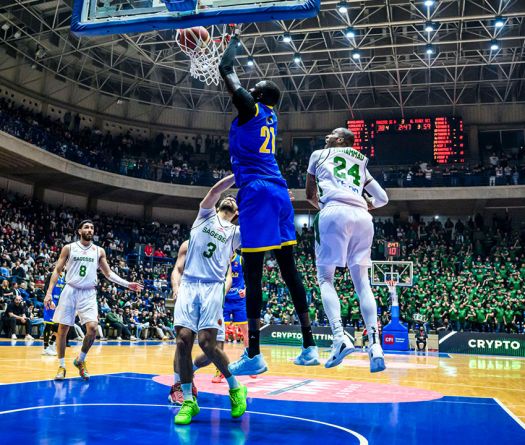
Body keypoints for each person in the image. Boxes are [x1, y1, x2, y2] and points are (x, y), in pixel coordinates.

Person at [219, 29, 319, 376]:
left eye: (253, 87)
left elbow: (225, 68)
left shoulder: (251, 108)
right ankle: (309, 344)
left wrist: (232, 40)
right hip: (280, 193)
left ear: (257, 94)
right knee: (290, 270)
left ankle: (255, 353)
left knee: (253, 272)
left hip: (258, 191)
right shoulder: (272, 117)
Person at [305, 127, 389, 373]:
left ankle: (340, 337)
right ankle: (375, 346)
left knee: (325, 278)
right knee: (362, 282)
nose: (327, 136)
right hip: (362, 216)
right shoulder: (362, 162)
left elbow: (309, 194)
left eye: (331, 134)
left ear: (341, 140)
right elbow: (383, 198)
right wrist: (364, 204)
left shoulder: (318, 154)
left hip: (333, 211)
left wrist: (328, 204)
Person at [171, 174, 247, 425]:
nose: (229, 198)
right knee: (183, 341)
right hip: (190, 285)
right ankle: (188, 401)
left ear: (237, 212)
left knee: (206, 343)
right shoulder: (204, 215)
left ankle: (236, 388)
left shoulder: (236, 233)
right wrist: (239, 173)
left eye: (234, 200)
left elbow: (259, 226)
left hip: (213, 287)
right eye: (227, 198)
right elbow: (216, 189)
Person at [44, 219, 143, 381]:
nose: (90, 230)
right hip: (70, 290)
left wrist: (127, 284)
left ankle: (80, 360)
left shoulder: (99, 251)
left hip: (88, 293)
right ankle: (61, 366)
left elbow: (109, 274)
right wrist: (49, 293)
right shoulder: (69, 248)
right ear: (79, 231)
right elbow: (57, 270)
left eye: (92, 228)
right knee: (62, 330)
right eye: (86, 227)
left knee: (93, 328)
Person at [41, 270, 65, 355]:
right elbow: (46, 287)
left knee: (60, 325)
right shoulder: (52, 274)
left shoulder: (65, 277)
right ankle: (45, 347)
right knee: (48, 324)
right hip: (51, 302)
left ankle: (51, 343)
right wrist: (50, 300)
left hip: (60, 303)